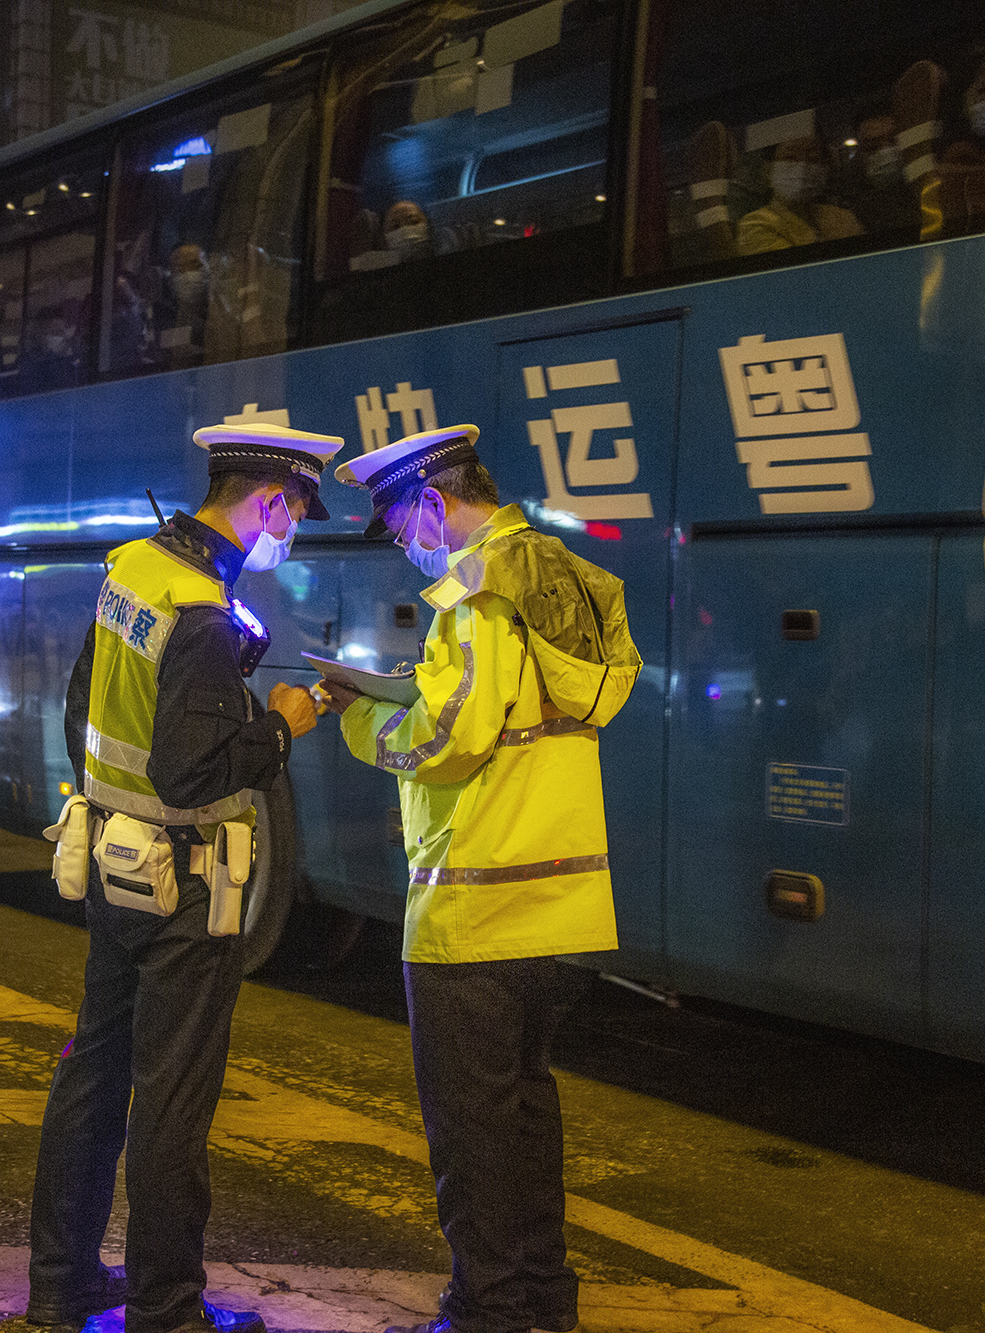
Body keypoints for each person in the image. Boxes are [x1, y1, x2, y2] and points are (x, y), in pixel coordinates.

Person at [321, 425, 640, 1333]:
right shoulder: (565, 578)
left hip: (476, 911)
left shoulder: (476, 594)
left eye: (400, 524)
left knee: (470, 1132)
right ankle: (544, 1296)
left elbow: (449, 736)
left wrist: (360, 723)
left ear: (432, 502)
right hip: (565, 909)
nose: (406, 544)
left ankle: (485, 1308)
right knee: (529, 1114)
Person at [28, 420, 342, 1331]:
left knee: (93, 1070)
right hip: (187, 888)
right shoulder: (201, 608)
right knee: (172, 1096)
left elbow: (84, 708)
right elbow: (192, 770)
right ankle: (167, 1306)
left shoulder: (134, 569)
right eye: (296, 511)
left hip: (113, 864)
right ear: (270, 499)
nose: (292, 531)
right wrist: (281, 725)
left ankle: (62, 1280)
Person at [736, 135, 865, 255]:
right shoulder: (755, 224)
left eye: (813, 158)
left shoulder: (842, 217)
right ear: (768, 169)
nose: (802, 166)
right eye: (790, 157)